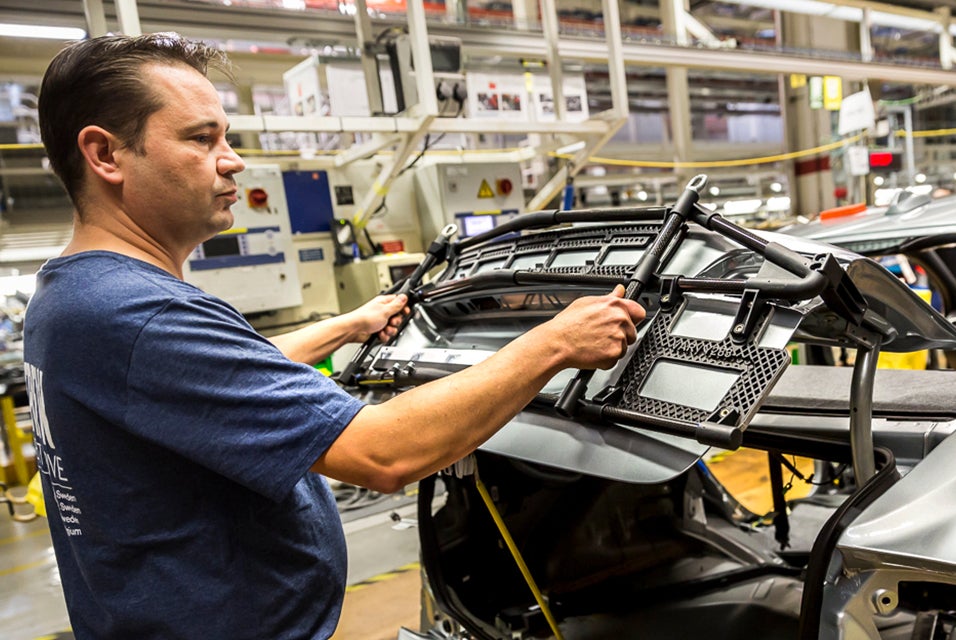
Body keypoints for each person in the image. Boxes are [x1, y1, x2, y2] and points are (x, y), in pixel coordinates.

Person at [24, 33, 645, 639]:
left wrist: (351, 324)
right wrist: (554, 342)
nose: (233, 159)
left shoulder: (75, 295)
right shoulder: (139, 314)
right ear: (105, 155)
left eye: (227, 137)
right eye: (201, 138)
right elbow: (382, 453)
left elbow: (218, 383)